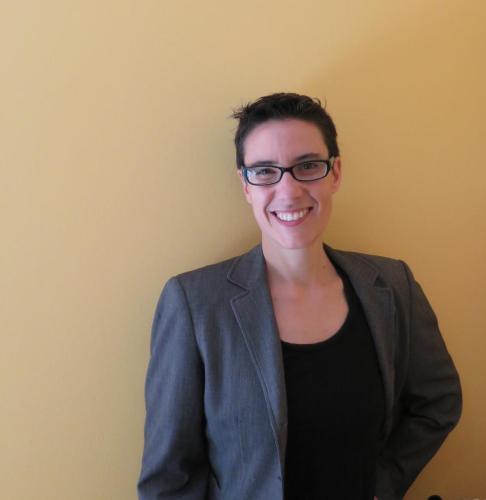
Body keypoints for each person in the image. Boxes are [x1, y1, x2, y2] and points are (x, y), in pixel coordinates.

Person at [137, 93, 462, 500]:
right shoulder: (195, 305)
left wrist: (385, 482)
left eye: (308, 166)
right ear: (245, 186)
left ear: (335, 173)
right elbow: (169, 477)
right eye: (265, 171)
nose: (289, 192)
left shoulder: (393, 286)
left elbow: (438, 402)